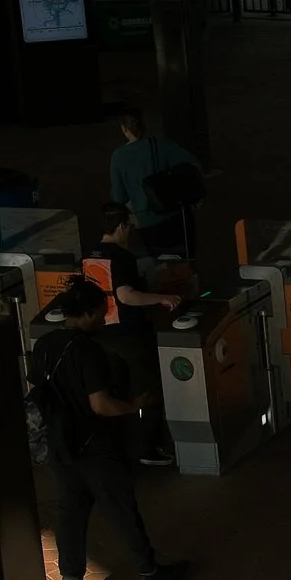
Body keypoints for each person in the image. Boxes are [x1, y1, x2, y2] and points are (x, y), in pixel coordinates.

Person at [30, 279, 187, 580]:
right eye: (100, 315)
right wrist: (134, 405)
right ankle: (149, 570)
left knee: (70, 515)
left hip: (60, 445)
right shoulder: (87, 350)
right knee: (121, 509)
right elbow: (101, 405)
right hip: (94, 445)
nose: (103, 321)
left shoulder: (43, 345)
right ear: (85, 314)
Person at [84, 201, 186, 469]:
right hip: (129, 335)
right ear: (120, 227)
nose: (131, 232)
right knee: (147, 389)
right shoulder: (121, 257)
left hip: (101, 333)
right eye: (129, 226)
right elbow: (126, 295)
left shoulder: (89, 255)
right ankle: (148, 447)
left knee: (116, 390)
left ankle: (120, 445)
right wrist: (162, 298)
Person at [108, 107, 204, 261]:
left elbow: (119, 197)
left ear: (124, 129)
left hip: (147, 222)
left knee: (159, 268)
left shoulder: (118, 158)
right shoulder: (161, 144)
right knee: (186, 262)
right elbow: (193, 164)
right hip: (177, 215)